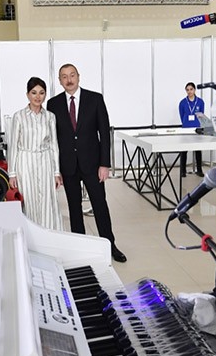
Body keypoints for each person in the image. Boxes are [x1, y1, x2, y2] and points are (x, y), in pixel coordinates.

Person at [47, 64, 127, 263]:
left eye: (72, 75)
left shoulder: (95, 99)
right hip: (68, 165)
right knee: (74, 208)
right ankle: (80, 247)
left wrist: (105, 164)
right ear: (60, 80)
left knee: (100, 205)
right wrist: (56, 169)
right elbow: (53, 139)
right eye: (64, 77)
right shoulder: (53, 104)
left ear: (78, 76)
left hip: (93, 164)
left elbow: (104, 133)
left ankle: (110, 245)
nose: (69, 80)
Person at [8, 77, 63, 230]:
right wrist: (12, 173)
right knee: (29, 200)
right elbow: (13, 146)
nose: (38, 97)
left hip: (45, 161)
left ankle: (49, 235)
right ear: (27, 95)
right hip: (25, 162)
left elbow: (54, 145)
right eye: (34, 93)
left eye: (41, 93)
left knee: (48, 201)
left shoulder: (50, 117)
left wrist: (56, 172)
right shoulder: (19, 116)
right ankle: (30, 235)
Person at [178, 82, 205, 177]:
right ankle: (183, 170)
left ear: (194, 90)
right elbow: (181, 115)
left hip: (197, 128)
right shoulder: (182, 102)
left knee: (198, 149)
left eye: (191, 89)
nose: (189, 91)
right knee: (184, 150)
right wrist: (186, 123)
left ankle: (199, 170)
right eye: (187, 90)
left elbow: (201, 114)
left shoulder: (200, 102)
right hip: (186, 128)